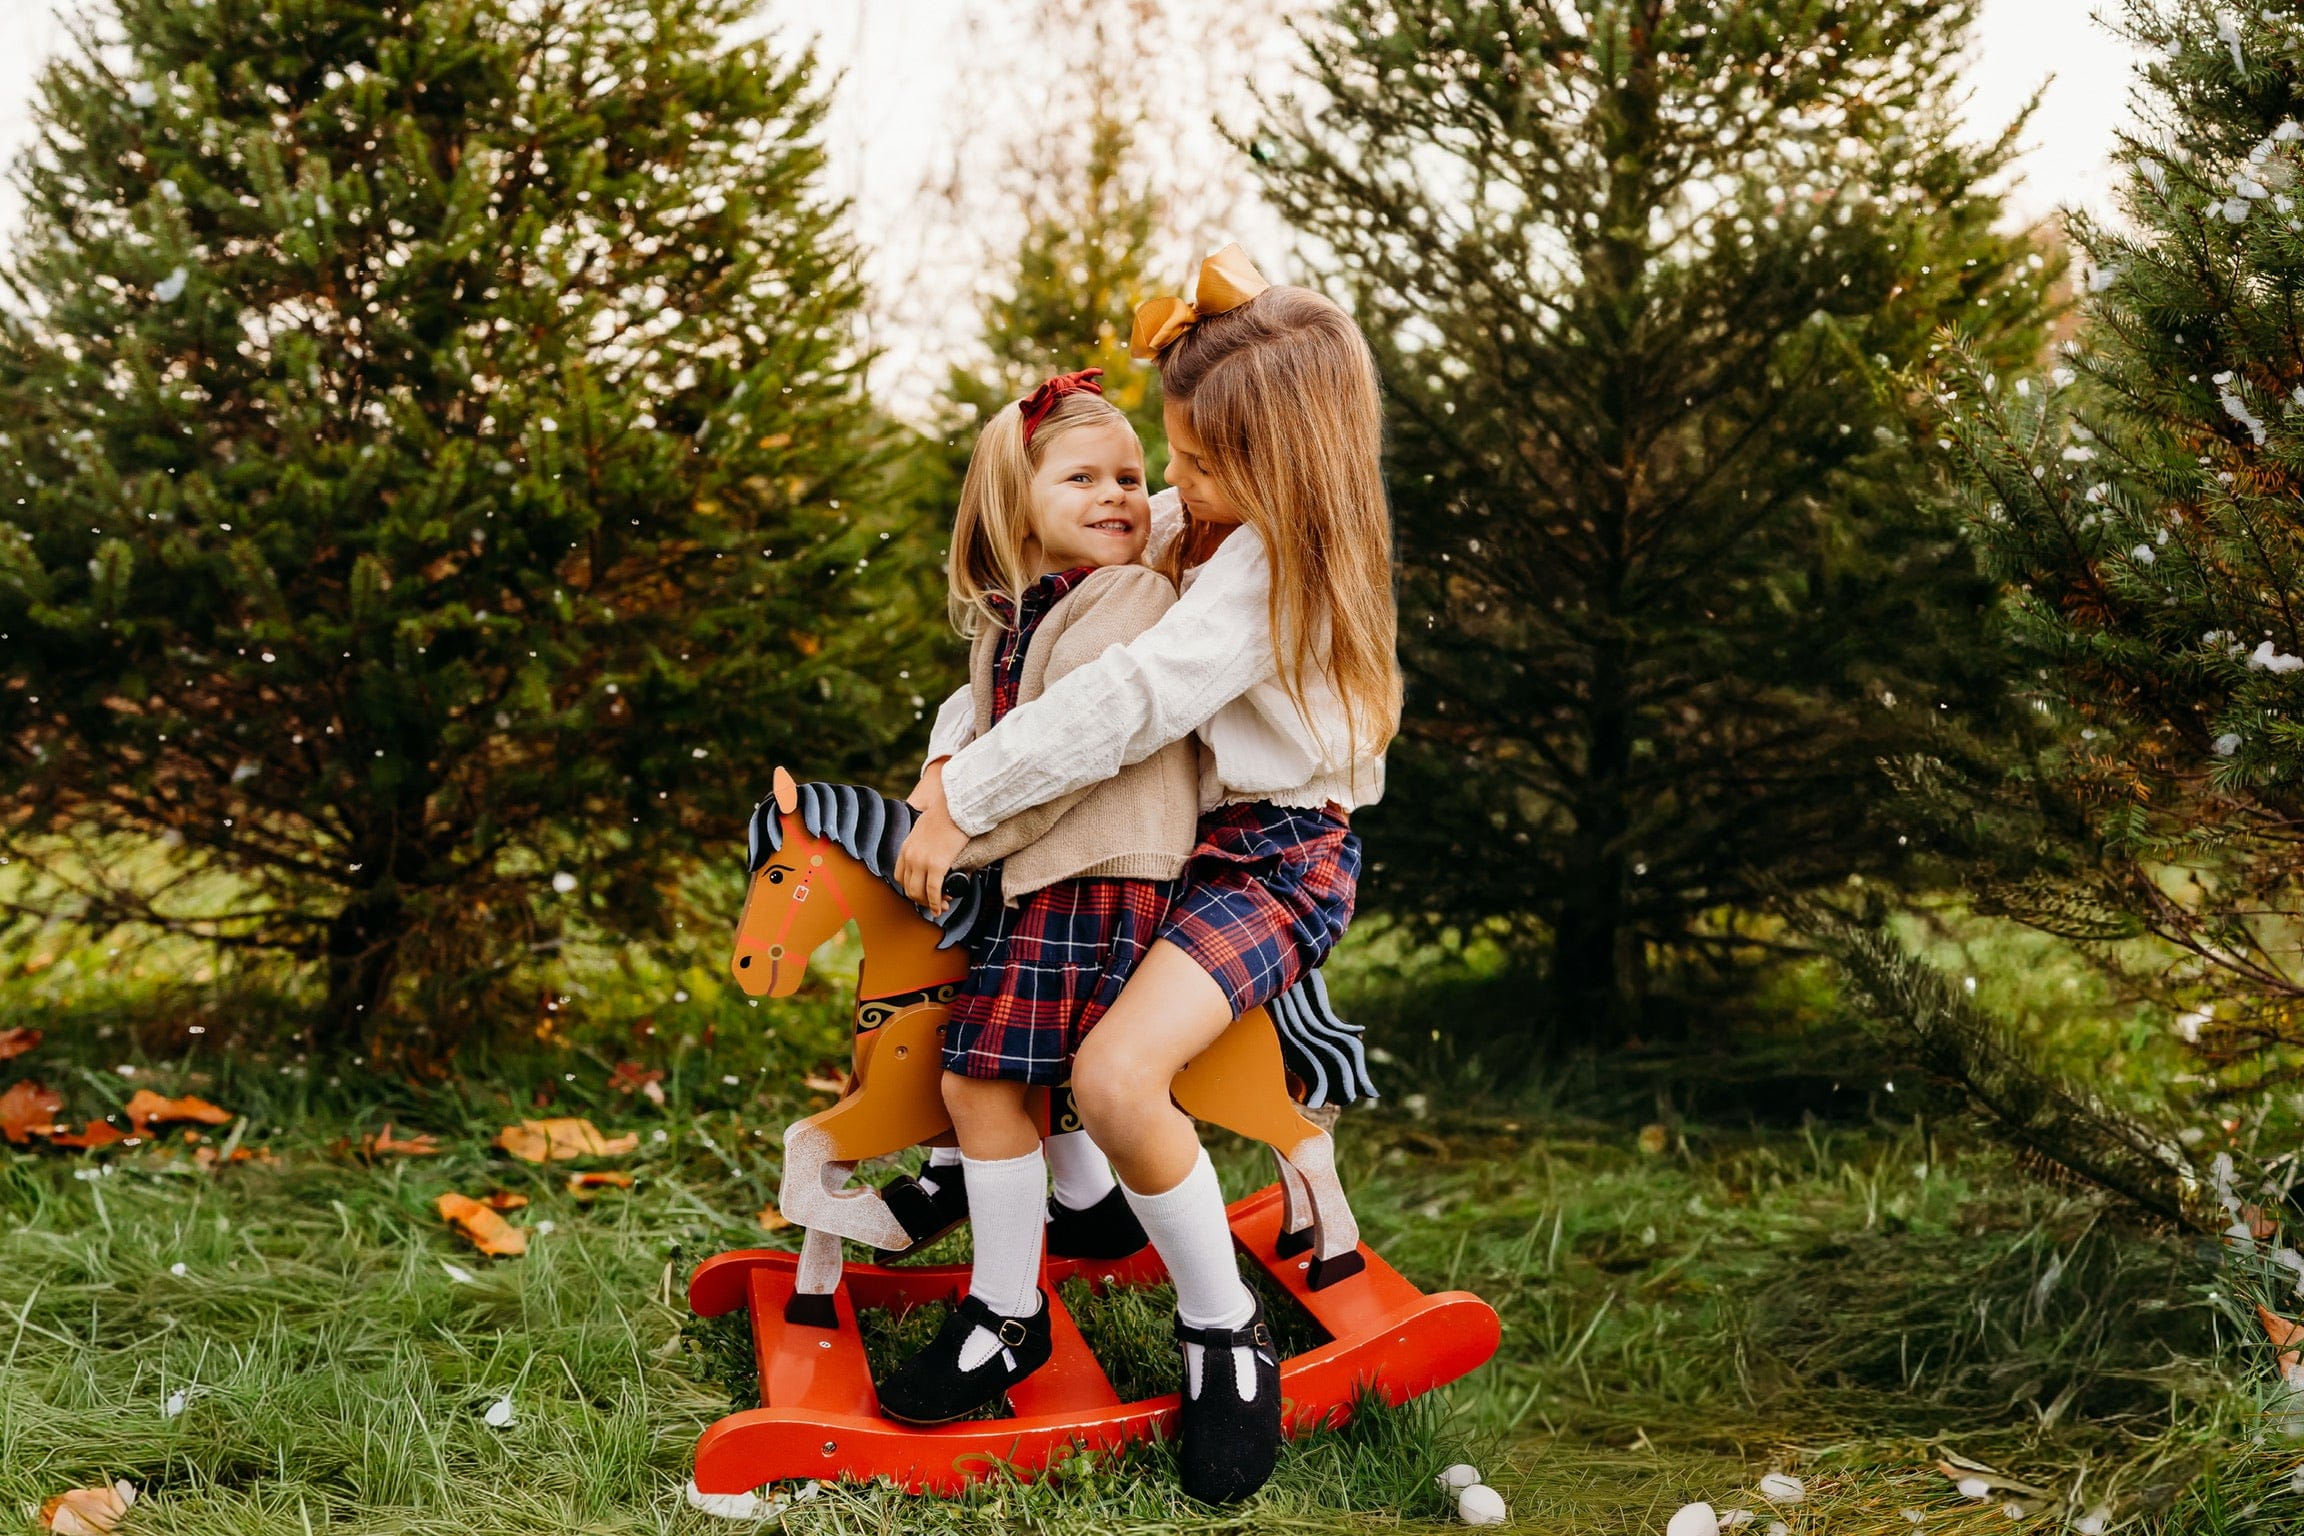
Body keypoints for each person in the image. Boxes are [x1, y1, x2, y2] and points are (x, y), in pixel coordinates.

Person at [896, 246, 1401, 1502]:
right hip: (1179, 836)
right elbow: (1043, 636)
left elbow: (1129, 698)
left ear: (1284, 463)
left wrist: (969, 798)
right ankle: (1028, 1233)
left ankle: (1223, 1330)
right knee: (1025, 1003)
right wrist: (944, 759)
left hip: (1277, 859)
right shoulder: (1198, 519)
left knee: (1119, 1073)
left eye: (1196, 460)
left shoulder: (1266, 563)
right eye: (1170, 454)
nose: (1170, 485)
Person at [875, 369, 1203, 1426]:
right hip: (1055, 875)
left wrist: (958, 833)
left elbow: (1061, 758)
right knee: (993, 1073)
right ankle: (1080, 1224)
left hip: (1105, 877)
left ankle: (1007, 1313)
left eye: (1131, 476)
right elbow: (980, 730)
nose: (1120, 496)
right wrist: (939, 783)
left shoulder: (1131, 598)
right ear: (1016, 503)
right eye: (1084, 478)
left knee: (979, 1079)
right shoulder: (1021, 613)